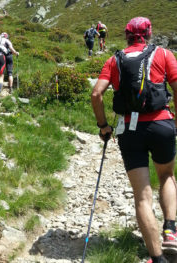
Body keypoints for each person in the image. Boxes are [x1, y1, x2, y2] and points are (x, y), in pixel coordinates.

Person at [91, 17, 177, 263]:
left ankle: (158, 259)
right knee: (166, 176)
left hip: (129, 128)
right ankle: (170, 230)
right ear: (148, 34)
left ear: (126, 35)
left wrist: (103, 125)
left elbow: (96, 94)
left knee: (142, 195)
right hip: (161, 123)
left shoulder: (113, 60)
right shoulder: (163, 54)